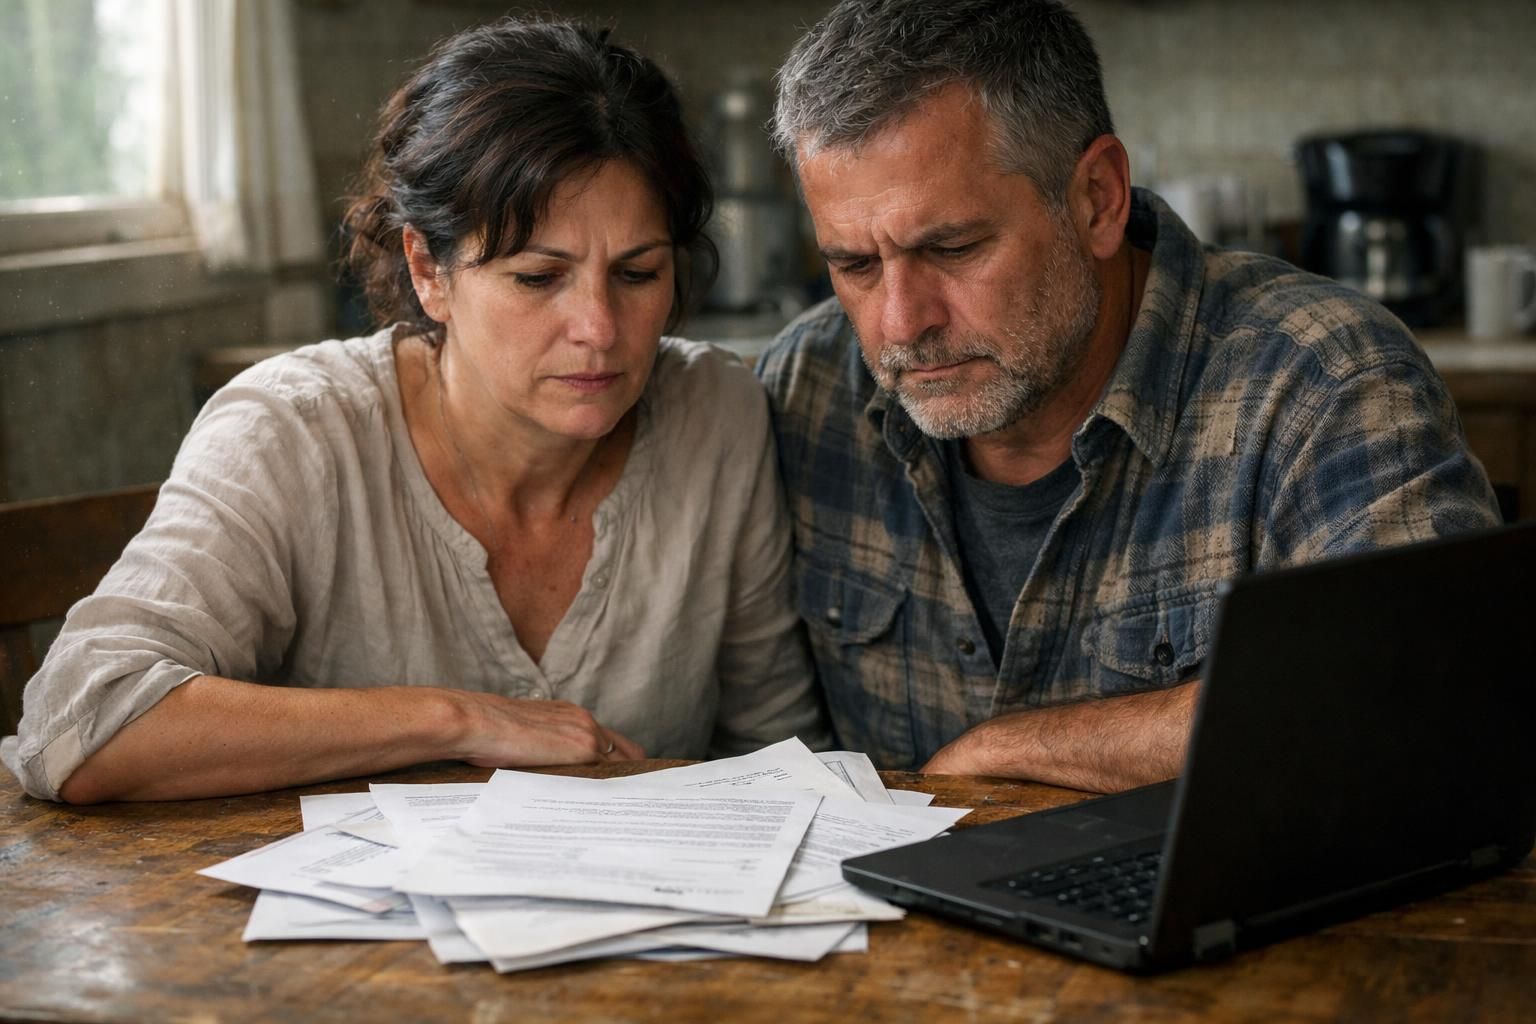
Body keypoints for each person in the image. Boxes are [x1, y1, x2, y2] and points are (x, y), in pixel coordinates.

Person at [3, 18, 828, 804]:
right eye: (538, 278)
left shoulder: (718, 417)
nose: (600, 330)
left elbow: (780, 755)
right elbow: (81, 722)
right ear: (429, 271)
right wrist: (458, 719)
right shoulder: (293, 432)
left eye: (639, 273)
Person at [757, 0, 1499, 792]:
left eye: (953, 247)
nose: (901, 324)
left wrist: (1004, 753)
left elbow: (1439, 702)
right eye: (855, 266)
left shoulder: (1321, 381)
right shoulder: (805, 390)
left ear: (1098, 198)